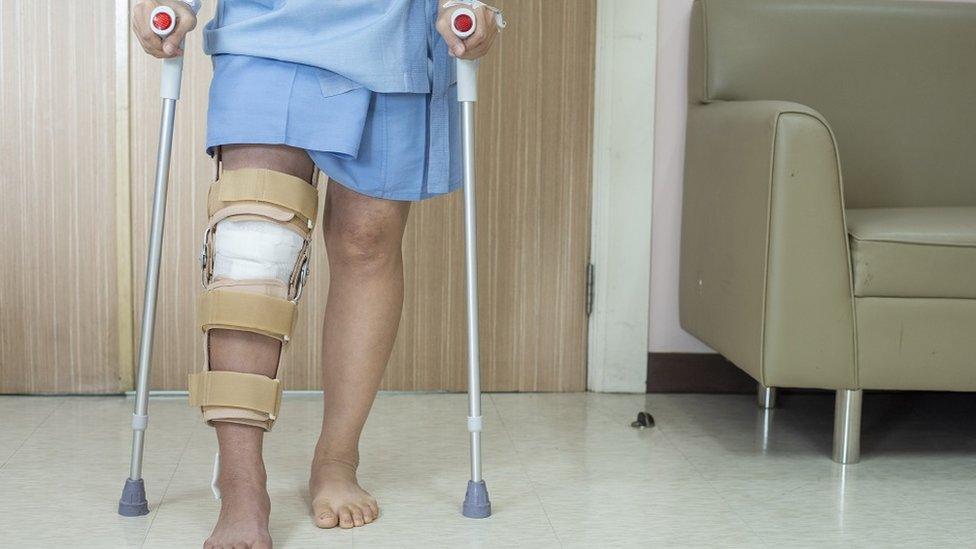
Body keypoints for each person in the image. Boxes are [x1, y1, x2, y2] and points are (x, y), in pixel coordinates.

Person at [130, 1, 501, 547]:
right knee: (250, 248)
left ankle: (336, 458)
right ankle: (240, 481)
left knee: (366, 244)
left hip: (389, 35)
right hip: (265, 28)